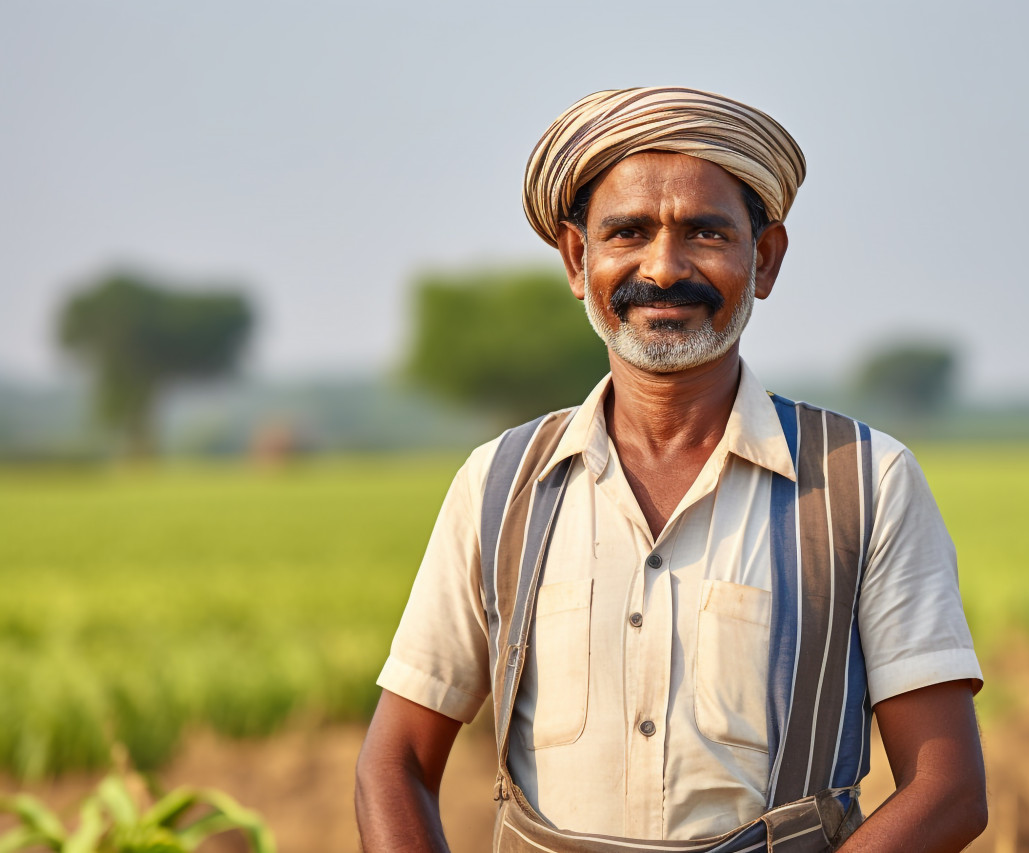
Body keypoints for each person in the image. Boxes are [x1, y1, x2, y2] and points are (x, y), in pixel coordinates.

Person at [355, 87, 987, 853]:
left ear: (766, 259)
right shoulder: (500, 485)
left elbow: (947, 788)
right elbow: (394, 761)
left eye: (705, 232)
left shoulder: (865, 483)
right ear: (578, 258)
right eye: (628, 231)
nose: (663, 267)